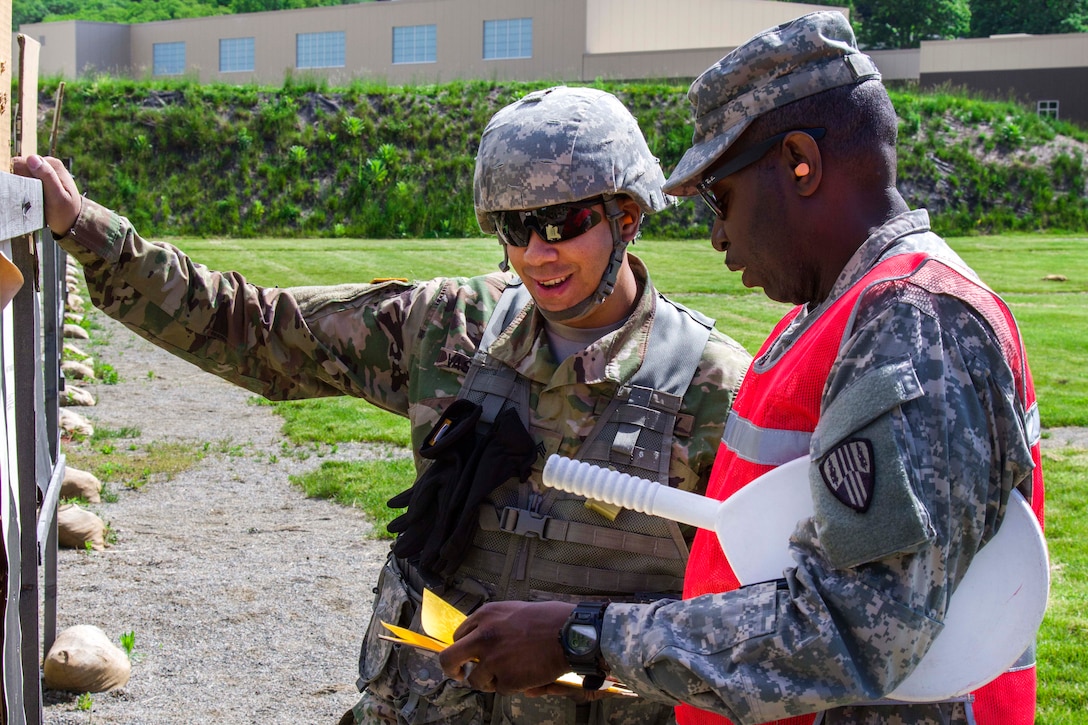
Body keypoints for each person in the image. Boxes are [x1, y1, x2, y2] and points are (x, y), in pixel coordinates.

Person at [14, 85, 752, 724]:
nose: (537, 254)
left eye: (561, 222)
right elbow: (255, 327)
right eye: (514, 226)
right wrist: (86, 229)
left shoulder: (713, 389)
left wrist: (580, 633)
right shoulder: (450, 328)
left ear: (627, 215)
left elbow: (765, 628)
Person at [437, 12, 1045, 725]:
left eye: (720, 198)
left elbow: (850, 627)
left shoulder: (913, 322)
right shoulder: (836, 315)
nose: (719, 235)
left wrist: (586, 636)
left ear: (800, 162)